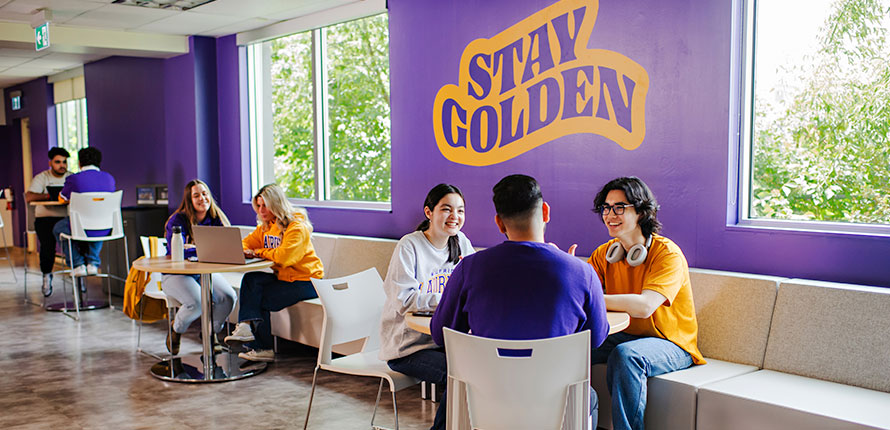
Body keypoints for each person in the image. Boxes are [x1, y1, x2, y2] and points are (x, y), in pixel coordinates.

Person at [431, 174, 610, 428]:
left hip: (485, 402)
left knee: (455, 390)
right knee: (589, 397)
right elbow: (597, 338)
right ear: (545, 211)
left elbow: (440, 335)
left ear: (499, 223)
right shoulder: (582, 272)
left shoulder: (469, 269)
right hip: (554, 405)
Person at [587, 177, 704, 430]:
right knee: (574, 345)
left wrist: (595, 297)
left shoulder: (667, 254)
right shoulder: (603, 254)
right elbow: (581, 296)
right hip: (626, 334)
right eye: (606, 208)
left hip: (671, 342)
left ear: (641, 211)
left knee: (626, 356)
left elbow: (645, 306)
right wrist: (567, 273)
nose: (610, 214)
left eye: (619, 207)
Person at [379, 184, 475, 430]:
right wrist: (448, 297)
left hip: (442, 343)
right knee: (460, 375)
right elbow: (403, 300)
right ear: (429, 212)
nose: (455, 217)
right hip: (407, 348)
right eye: (446, 209)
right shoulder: (409, 246)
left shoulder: (461, 243)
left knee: (476, 368)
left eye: (460, 210)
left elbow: (475, 282)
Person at [224, 184, 324, 362]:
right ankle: (245, 327)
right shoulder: (266, 227)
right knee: (252, 279)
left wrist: (258, 252)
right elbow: (244, 244)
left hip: (308, 282)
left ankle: (262, 348)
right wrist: (249, 250)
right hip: (284, 279)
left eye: (265, 205)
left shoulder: (296, 226)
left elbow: (285, 257)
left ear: (276, 204)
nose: (261, 210)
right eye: (259, 206)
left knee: (258, 299)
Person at [161, 179, 237, 355]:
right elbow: (177, 252)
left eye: (205, 194)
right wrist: (205, 249)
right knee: (196, 303)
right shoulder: (177, 220)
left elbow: (226, 247)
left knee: (228, 297)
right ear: (189, 200)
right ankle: (176, 328)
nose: (202, 198)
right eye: (196, 195)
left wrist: (194, 248)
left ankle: (210, 333)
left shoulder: (216, 218)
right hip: (176, 274)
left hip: (204, 272)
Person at [52, 147, 116, 278]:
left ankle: (77, 264)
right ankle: (93, 262)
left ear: (80, 163)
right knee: (96, 222)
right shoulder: (109, 178)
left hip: (81, 228)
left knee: (59, 228)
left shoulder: (74, 179)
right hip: (108, 228)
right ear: (99, 162)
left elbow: (61, 199)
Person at [25, 147, 72, 297]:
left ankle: (79, 275)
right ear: (50, 162)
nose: (62, 165)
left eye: (64, 162)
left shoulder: (71, 177)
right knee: (47, 247)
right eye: (58, 162)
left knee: (77, 245)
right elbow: (29, 197)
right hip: (46, 218)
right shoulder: (42, 178)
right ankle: (47, 276)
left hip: (66, 218)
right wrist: (50, 196)